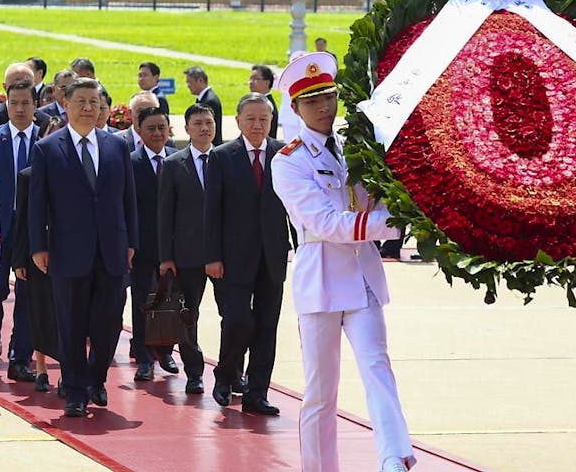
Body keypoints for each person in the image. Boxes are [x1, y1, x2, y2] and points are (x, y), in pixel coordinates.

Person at [271, 52, 415, 472]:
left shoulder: (356, 149)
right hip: (321, 281)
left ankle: (394, 457)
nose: (323, 108)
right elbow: (326, 223)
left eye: (329, 97)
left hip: (362, 277)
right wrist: (394, 221)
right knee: (321, 392)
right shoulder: (289, 161)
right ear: (296, 108)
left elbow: (376, 196)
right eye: (312, 101)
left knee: (377, 367)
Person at [28, 77, 138, 418]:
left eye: (95, 102)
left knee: (108, 323)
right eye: (81, 102)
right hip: (67, 250)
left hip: (112, 248)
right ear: (66, 105)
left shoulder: (116, 146)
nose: (89, 108)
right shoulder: (49, 148)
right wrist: (37, 246)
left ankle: (96, 379)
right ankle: (75, 389)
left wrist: (131, 241)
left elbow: (128, 199)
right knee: (71, 323)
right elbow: (37, 204)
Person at [204, 92, 289, 415]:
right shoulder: (223, 156)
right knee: (238, 320)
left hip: (273, 255)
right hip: (233, 257)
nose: (257, 125)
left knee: (267, 325)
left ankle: (257, 392)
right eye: (251, 119)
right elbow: (211, 211)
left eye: (264, 119)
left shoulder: (284, 154)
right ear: (238, 121)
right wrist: (212, 256)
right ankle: (225, 376)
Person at [0, 81, 38, 382]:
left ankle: (20, 356)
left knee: (29, 296)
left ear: (35, 105)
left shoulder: (46, 140)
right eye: (14, 103)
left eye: (26, 102)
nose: (20, 109)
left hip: (32, 232)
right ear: (7, 105)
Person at [158, 102, 217, 394]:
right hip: (187, 254)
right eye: (198, 124)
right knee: (186, 317)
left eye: (209, 122)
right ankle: (194, 372)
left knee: (234, 316)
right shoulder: (173, 164)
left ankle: (232, 373)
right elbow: (165, 214)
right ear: (187, 129)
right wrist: (166, 256)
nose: (205, 128)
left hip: (224, 254)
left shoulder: (227, 160)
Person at [12, 116, 66, 393]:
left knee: (66, 313)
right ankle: (42, 367)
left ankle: (66, 369)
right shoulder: (28, 175)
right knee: (39, 312)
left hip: (69, 253)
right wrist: (20, 259)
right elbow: (22, 220)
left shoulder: (76, 172)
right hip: (38, 256)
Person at [128, 106, 178, 382]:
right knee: (142, 302)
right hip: (143, 246)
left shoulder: (176, 159)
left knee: (168, 300)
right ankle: (144, 358)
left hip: (173, 246)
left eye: (162, 128)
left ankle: (165, 350)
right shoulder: (131, 162)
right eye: (151, 128)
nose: (157, 133)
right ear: (139, 131)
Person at [184, 66, 223, 146]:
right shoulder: (205, 98)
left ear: (200, 80)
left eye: (189, 82)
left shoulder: (209, 101)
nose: (188, 86)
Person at [249, 65, 280, 138]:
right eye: (250, 79)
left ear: (267, 83)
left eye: (255, 79)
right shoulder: (259, 101)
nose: (251, 82)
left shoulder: (267, 105)